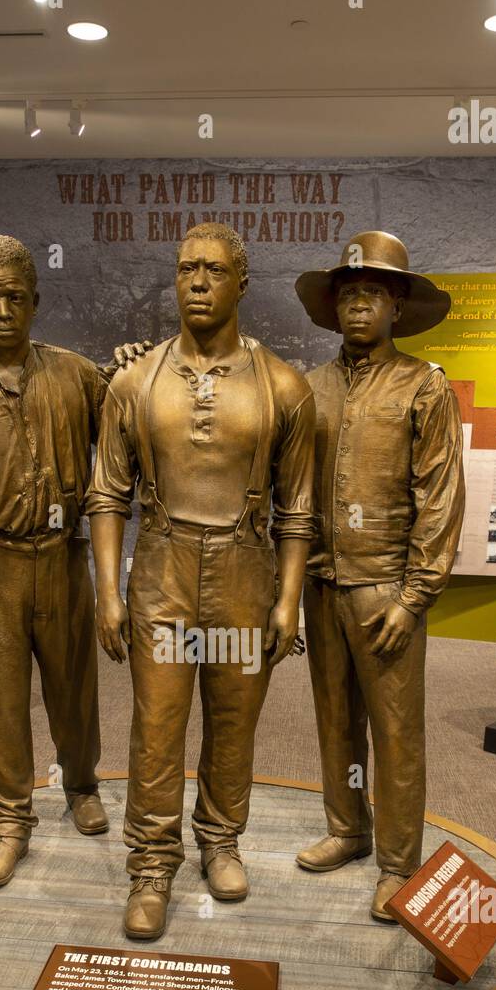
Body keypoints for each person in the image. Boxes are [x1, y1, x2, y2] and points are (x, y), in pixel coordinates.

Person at [87, 222, 317, 941]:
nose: (196, 281)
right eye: (186, 268)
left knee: (233, 719)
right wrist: (107, 592)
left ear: (241, 283)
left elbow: (299, 507)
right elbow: (106, 494)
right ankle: (152, 865)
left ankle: (220, 838)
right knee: (157, 726)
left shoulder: (283, 385)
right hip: (162, 570)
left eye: (214, 270)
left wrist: (288, 599)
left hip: (244, 574)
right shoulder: (135, 380)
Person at [0, 233, 149, 889]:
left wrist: (131, 369)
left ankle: (81, 785)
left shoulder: (77, 375)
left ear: (36, 301)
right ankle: (7, 821)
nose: (4, 310)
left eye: (16, 297)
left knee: (75, 687)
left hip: (67, 557)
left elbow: (132, 430)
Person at [294, 231, 465, 922]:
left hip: (385, 588)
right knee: (335, 719)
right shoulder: (310, 387)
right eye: (349, 294)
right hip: (322, 581)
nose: (358, 305)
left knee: (396, 732)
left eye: (372, 293)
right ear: (334, 308)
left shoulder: (424, 386)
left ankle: (399, 862)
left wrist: (415, 594)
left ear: (397, 306)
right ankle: (347, 828)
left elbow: (441, 496)